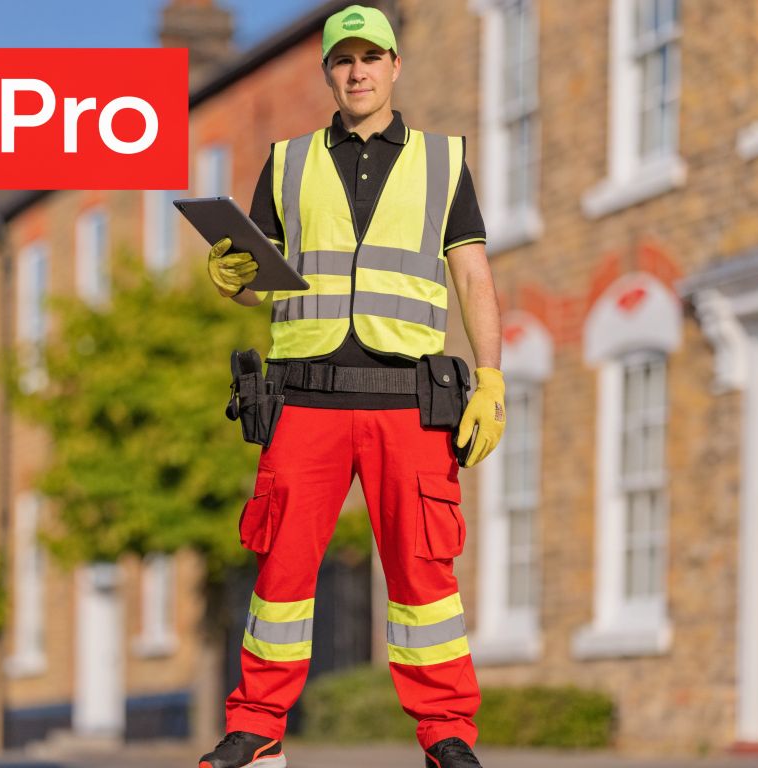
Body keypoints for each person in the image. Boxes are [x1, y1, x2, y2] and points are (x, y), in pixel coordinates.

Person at [197, 6, 506, 768]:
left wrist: (492, 377)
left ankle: (446, 735)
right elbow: (258, 280)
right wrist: (229, 277)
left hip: (408, 400)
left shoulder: (443, 161)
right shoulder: (289, 161)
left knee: (423, 574)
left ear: (396, 66)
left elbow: (472, 273)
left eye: (372, 57)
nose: (358, 70)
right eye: (343, 59)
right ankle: (260, 726)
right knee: (281, 568)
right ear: (328, 72)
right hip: (305, 398)